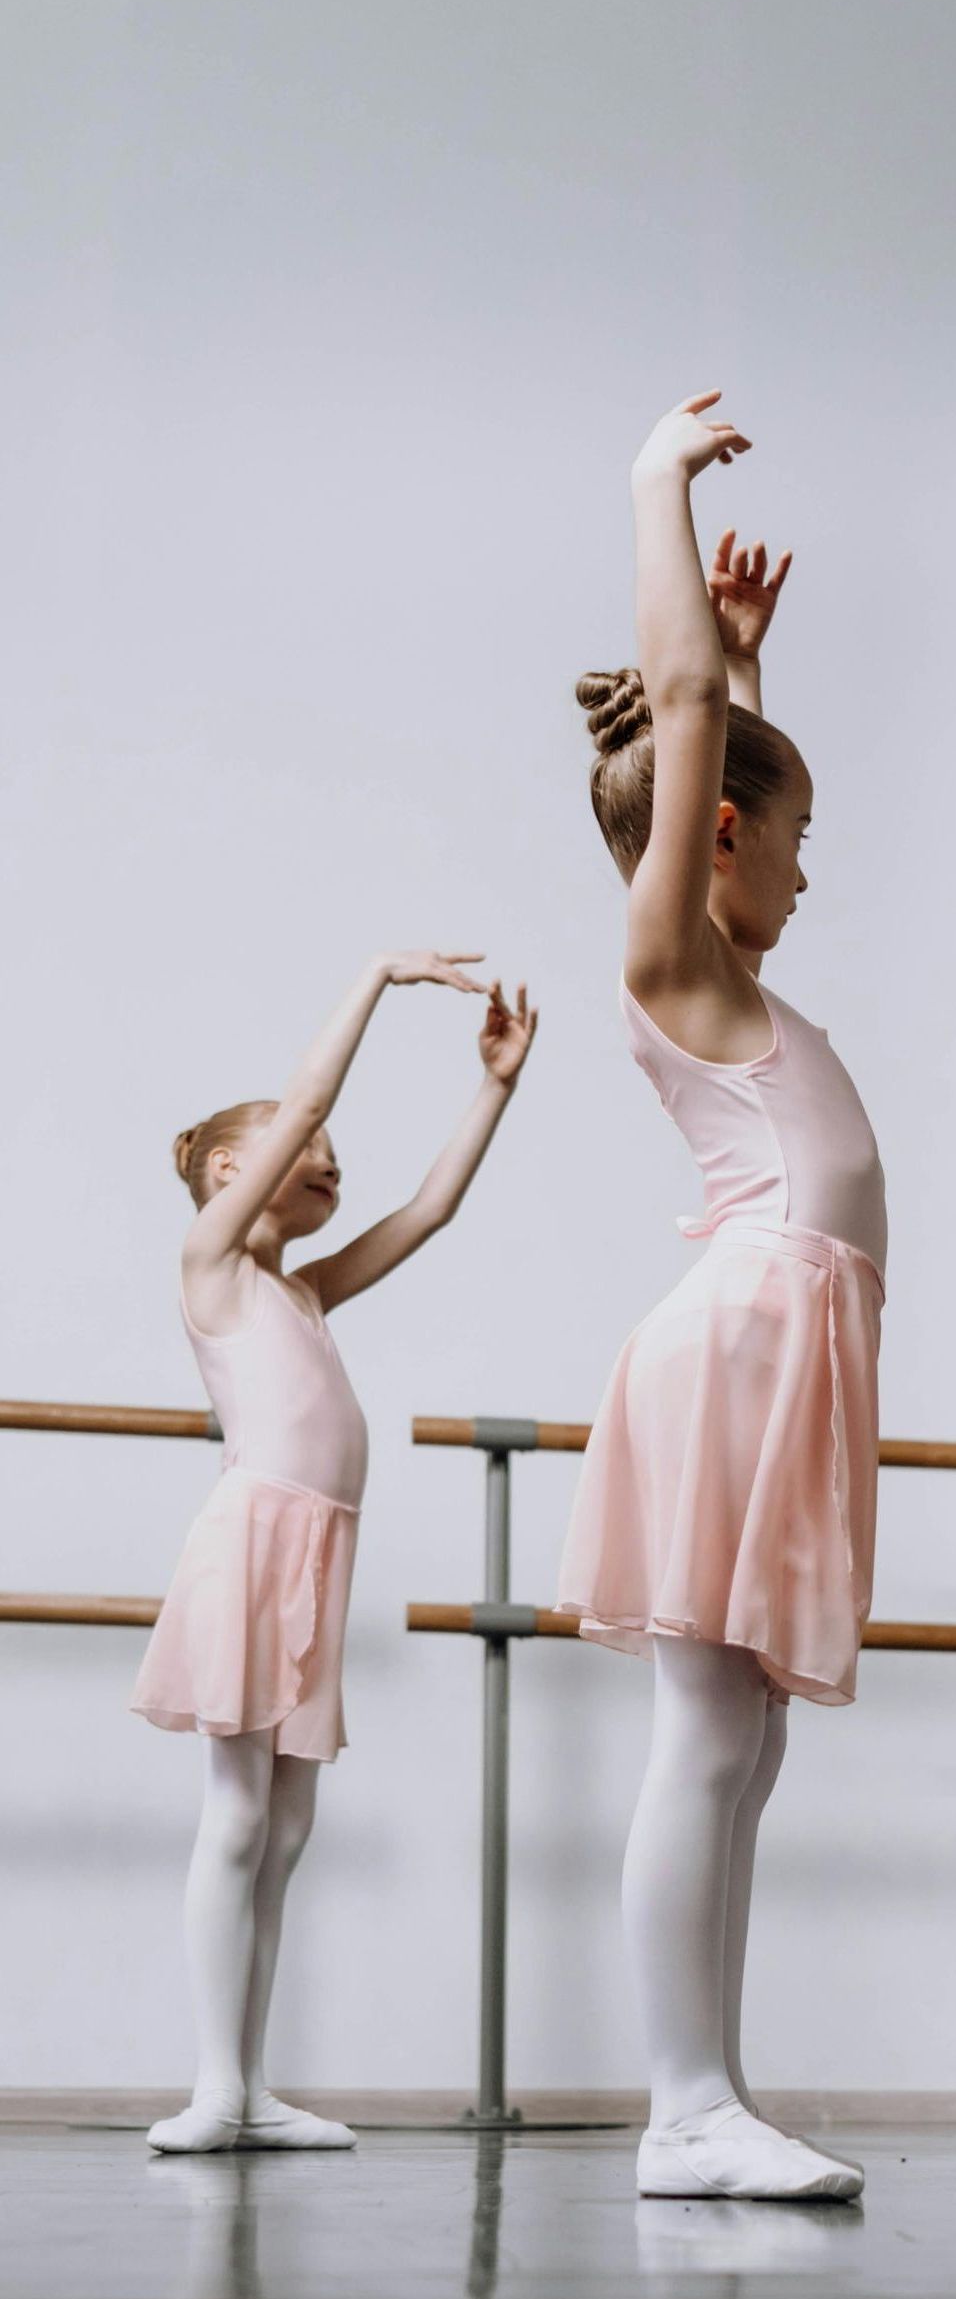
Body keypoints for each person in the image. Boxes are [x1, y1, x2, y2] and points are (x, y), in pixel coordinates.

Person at [560, 392, 885, 2202]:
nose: (809, 868)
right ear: (715, 844)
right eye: (793, 829)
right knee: (705, 1732)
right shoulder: (669, 956)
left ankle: (711, 2095)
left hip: (790, 1347)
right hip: (741, 1343)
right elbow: (681, 722)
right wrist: (655, 489)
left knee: (740, 1741)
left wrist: (747, 665)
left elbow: (709, 725)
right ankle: (681, 2108)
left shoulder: (724, 961)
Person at [133, 955, 536, 2152]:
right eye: (311, 1148)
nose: (330, 1162)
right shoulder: (212, 1272)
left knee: (289, 1830)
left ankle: (250, 2088)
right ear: (226, 1172)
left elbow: (427, 1211)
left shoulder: (303, 1296)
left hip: (319, 1554)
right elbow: (306, 1104)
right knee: (240, 1817)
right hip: (253, 1541)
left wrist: (495, 1091)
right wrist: (379, 980)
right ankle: (213, 2088)